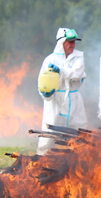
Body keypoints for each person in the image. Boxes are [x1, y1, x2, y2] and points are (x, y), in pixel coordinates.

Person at [36, 27, 87, 155]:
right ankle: (41, 162)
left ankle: (81, 163)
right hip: (55, 101)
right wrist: (45, 94)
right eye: (69, 42)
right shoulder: (49, 60)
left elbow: (76, 74)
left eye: (74, 41)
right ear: (61, 43)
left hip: (73, 99)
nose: (72, 45)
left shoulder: (78, 57)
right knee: (49, 133)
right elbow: (42, 83)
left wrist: (61, 71)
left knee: (79, 132)